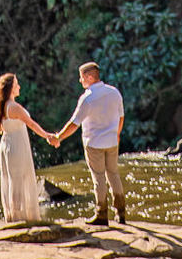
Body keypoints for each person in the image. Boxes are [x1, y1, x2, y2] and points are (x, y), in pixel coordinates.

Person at [47, 60, 126, 226]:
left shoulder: (87, 99)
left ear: (90, 77)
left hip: (94, 144)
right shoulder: (114, 92)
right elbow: (121, 117)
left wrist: (58, 137)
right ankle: (121, 213)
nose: (80, 81)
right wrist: (117, 134)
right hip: (112, 142)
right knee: (113, 175)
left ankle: (102, 214)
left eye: (81, 77)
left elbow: (74, 124)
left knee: (99, 178)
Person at [0, 71, 51, 222]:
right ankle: (19, 217)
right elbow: (31, 124)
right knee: (18, 180)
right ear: (11, 88)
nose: (19, 87)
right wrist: (48, 136)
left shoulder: (3, 106)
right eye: (16, 84)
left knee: (12, 180)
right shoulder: (13, 107)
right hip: (16, 146)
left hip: (8, 144)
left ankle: (14, 215)